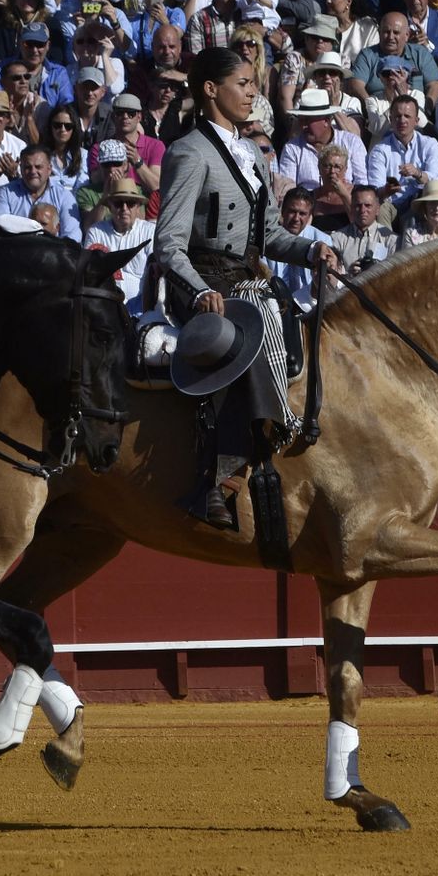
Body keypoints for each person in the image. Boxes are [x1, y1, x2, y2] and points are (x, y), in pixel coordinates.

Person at [153, 46, 339, 530]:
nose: (253, 91)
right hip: (201, 280)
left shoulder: (252, 150)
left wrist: (308, 249)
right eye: (243, 82)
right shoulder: (188, 152)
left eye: (255, 83)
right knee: (248, 326)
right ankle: (220, 478)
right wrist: (196, 291)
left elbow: (270, 236)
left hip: (241, 275)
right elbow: (168, 245)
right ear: (211, 89)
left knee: (282, 311)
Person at [83, 178, 152, 312]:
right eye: (119, 203)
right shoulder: (96, 232)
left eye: (130, 203)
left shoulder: (150, 232)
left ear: (138, 206)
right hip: (106, 309)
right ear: (110, 206)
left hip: (142, 310)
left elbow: (155, 277)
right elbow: (90, 274)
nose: (124, 208)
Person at [0, 144, 79, 241]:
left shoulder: (64, 197)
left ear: (49, 169)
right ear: (21, 169)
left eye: (38, 167)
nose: (33, 171)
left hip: (53, 252)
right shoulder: (6, 193)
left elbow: (72, 238)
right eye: (28, 167)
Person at [331, 184, 397, 273]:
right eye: (358, 205)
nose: (362, 210)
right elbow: (333, 274)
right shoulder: (337, 238)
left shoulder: (391, 240)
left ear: (377, 209)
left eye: (368, 205)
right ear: (352, 208)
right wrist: (348, 274)